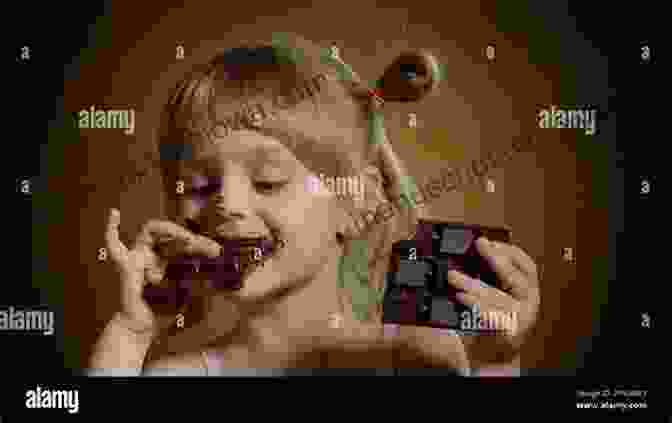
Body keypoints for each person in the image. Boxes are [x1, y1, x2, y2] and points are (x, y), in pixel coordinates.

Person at [88, 34, 539, 376]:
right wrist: (131, 335)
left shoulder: (421, 357)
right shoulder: (178, 374)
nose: (225, 203)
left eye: (267, 180)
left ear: (353, 201)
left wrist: (498, 358)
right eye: (200, 186)